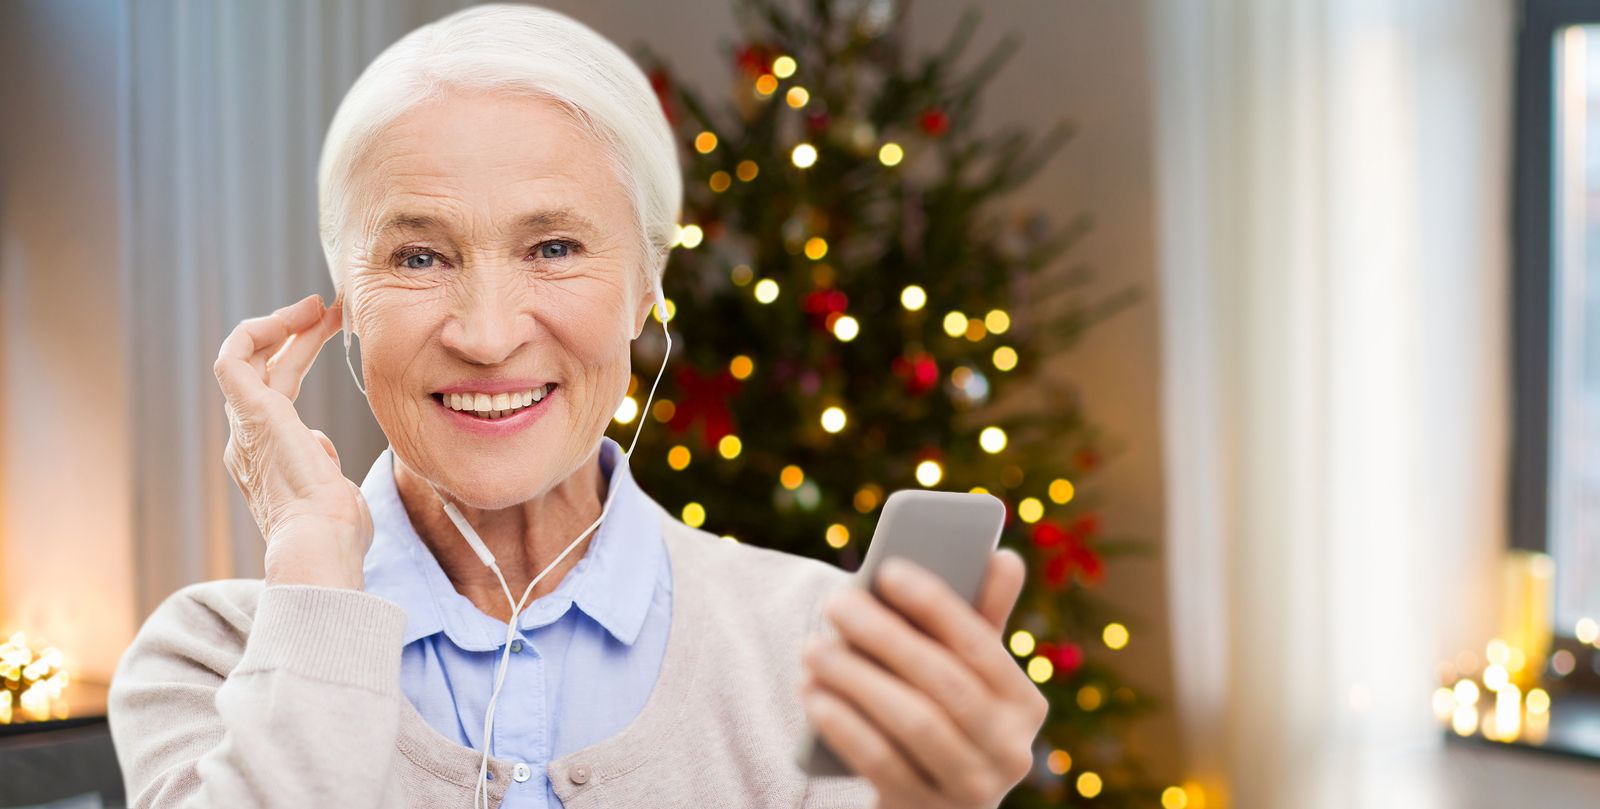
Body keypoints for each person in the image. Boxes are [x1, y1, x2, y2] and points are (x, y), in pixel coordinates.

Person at [108, 5, 1046, 808]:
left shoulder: (816, 645)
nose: (485, 333)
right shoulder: (212, 660)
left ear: (646, 286)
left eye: (554, 247)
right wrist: (313, 551)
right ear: (344, 304)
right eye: (419, 257)